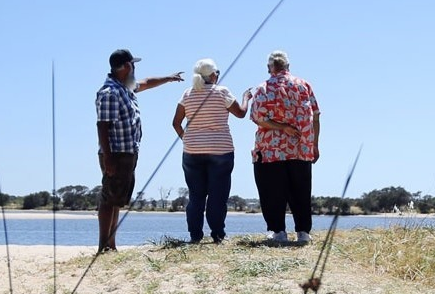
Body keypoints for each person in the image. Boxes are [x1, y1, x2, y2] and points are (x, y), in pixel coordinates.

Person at [96, 49, 184, 253]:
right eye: (133, 65)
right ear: (126, 66)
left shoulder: (125, 87)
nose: (135, 69)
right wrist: (108, 158)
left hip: (127, 152)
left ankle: (111, 244)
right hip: (115, 154)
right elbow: (102, 126)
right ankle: (103, 245)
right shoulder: (110, 92)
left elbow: (146, 82)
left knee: (117, 199)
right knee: (109, 199)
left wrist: (168, 78)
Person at [172, 58, 252, 244]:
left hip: (192, 152)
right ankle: (217, 234)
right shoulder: (222, 92)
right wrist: (246, 98)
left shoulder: (187, 93)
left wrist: (188, 140)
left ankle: (195, 235)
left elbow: (176, 123)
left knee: (196, 195)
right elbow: (240, 113)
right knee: (218, 194)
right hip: (220, 150)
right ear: (214, 74)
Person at [250, 50, 321, 243]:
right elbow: (315, 115)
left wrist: (281, 127)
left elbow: (257, 117)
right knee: (301, 190)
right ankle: (303, 232)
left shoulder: (263, 88)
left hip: (270, 150)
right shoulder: (303, 85)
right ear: (288, 66)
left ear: (269, 68)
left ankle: (277, 231)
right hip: (301, 147)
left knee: (271, 190)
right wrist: (314, 144)